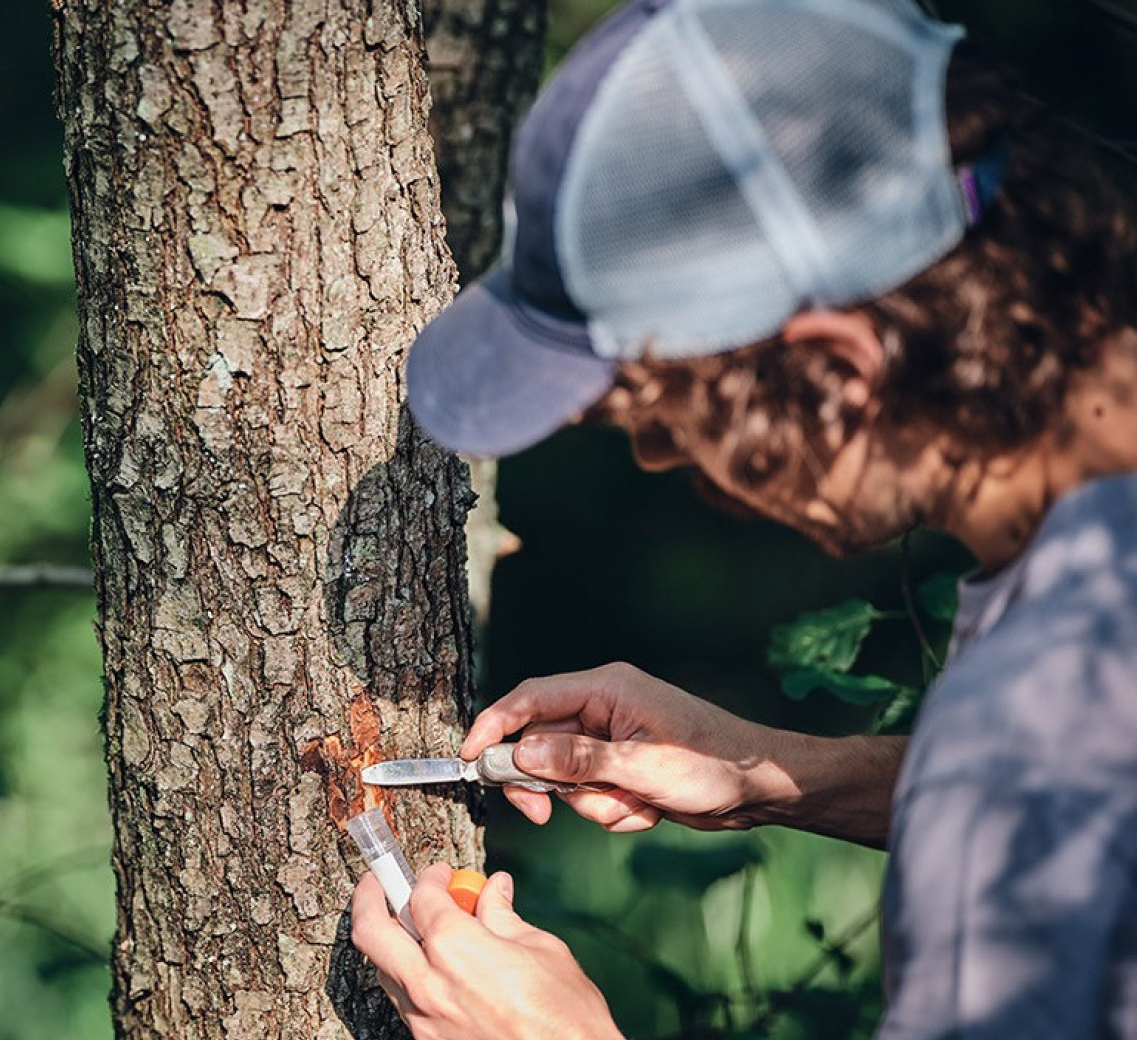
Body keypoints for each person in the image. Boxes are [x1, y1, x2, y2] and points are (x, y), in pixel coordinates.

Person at [347, 0, 1137, 1037]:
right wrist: (772, 774)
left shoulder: (1031, 724)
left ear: (837, 373)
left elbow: (1033, 786)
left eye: (664, 416)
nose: (662, 461)